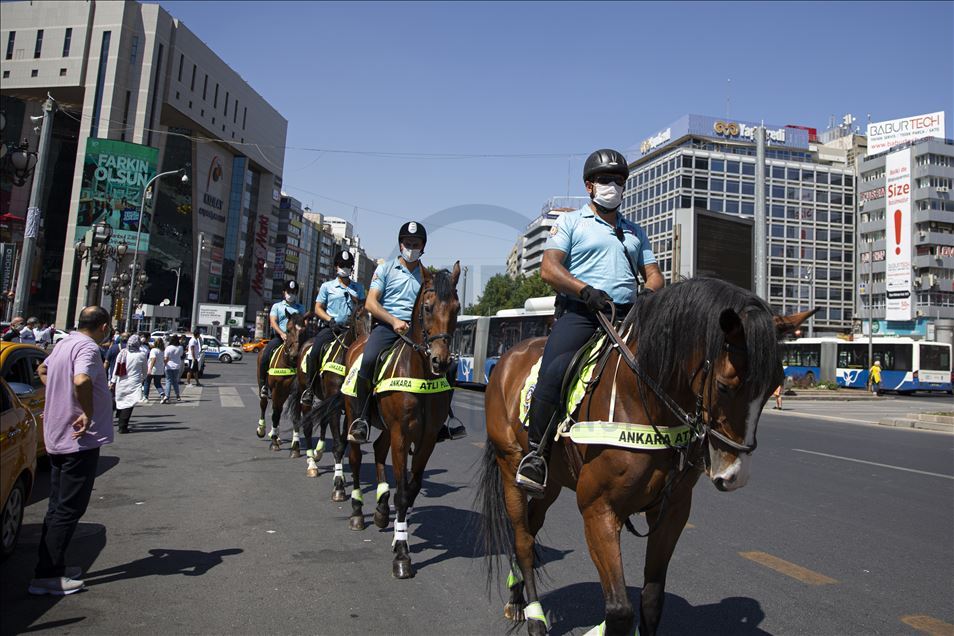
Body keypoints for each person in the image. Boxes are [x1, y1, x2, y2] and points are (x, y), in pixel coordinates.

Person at [515, 149, 665, 497]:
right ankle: (536, 454)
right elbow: (549, 268)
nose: (612, 186)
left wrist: (650, 294)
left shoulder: (634, 231)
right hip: (583, 313)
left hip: (628, 315)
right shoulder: (570, 223)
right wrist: (585, 291)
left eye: (618, 181)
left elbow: (654, 275)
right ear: (589, 186)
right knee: (553, 371)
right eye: (605, 180)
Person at [347, 221, 467, 443]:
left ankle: (443, 421)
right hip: (387, 327)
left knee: (448, 368)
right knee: (369, 359)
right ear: (400, 244)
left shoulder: (427, 277)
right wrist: (393, 321)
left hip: (417, 332)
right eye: (407, 243)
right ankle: (361, 419)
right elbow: (372, 304)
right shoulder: (384, 269)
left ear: (423, 247)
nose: (411, 247)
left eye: (416, 243)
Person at [29, 306, 114, 596]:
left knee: (58, 505)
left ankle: (53, 566)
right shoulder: (88, 348)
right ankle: (47, 576)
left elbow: (42, 369)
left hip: (57, 434)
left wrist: (60, 391)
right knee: (69, 507)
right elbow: (81, 380)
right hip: (78, 439)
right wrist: (86, 411)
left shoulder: (64, 343)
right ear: (104, 326)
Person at [301, 250, 366, 406]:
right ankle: (309, 388)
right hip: (332, 328)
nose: (345, 268)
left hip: (352, 330)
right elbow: (318, 308)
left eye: (348, 266)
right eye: (342, 265)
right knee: (315, 350)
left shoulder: (359, 288)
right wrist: (330, 320)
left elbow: (364, 308)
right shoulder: (327, 286)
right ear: (336, 266)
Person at [258, 280, 305, 399]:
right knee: (265, 355)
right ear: (284, 292)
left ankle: (307, 388)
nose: (291, 294)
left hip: (295, 339)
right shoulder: (277, 306)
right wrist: (281, 333)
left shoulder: (300, 308)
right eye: (289, 292)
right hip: (280, 338)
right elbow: (273, 322)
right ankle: (263, 385)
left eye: (294, 292)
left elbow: (304, 323)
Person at [110, 335, 148, 434]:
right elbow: (145, 370)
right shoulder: (141, 355)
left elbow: (116, 369)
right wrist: (142, 378)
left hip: (121, 381)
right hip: (134, 382)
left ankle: (120, 422)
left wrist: (113, 381)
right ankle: (123, 426)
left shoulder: (122, 353)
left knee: (121, 401)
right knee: (129, 404)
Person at [143, 337, 167, 402]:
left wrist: (150, 368)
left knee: (147, 382)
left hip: (153, 369)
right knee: (157, 383)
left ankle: (145, 396)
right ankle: (163, 395)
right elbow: (165, 359)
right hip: (160, 369)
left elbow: (153, 359)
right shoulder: (162, 351)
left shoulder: (153, 350)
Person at [163, 334, 183, 403]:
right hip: (177, 366)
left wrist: (164, 364)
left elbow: (166, 358)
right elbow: (180, 355)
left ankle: (167, 396)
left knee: (168, 381)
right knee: (175, 381)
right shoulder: (180, 348)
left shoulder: (168, 348)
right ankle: (177, 395)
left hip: (168, 366)